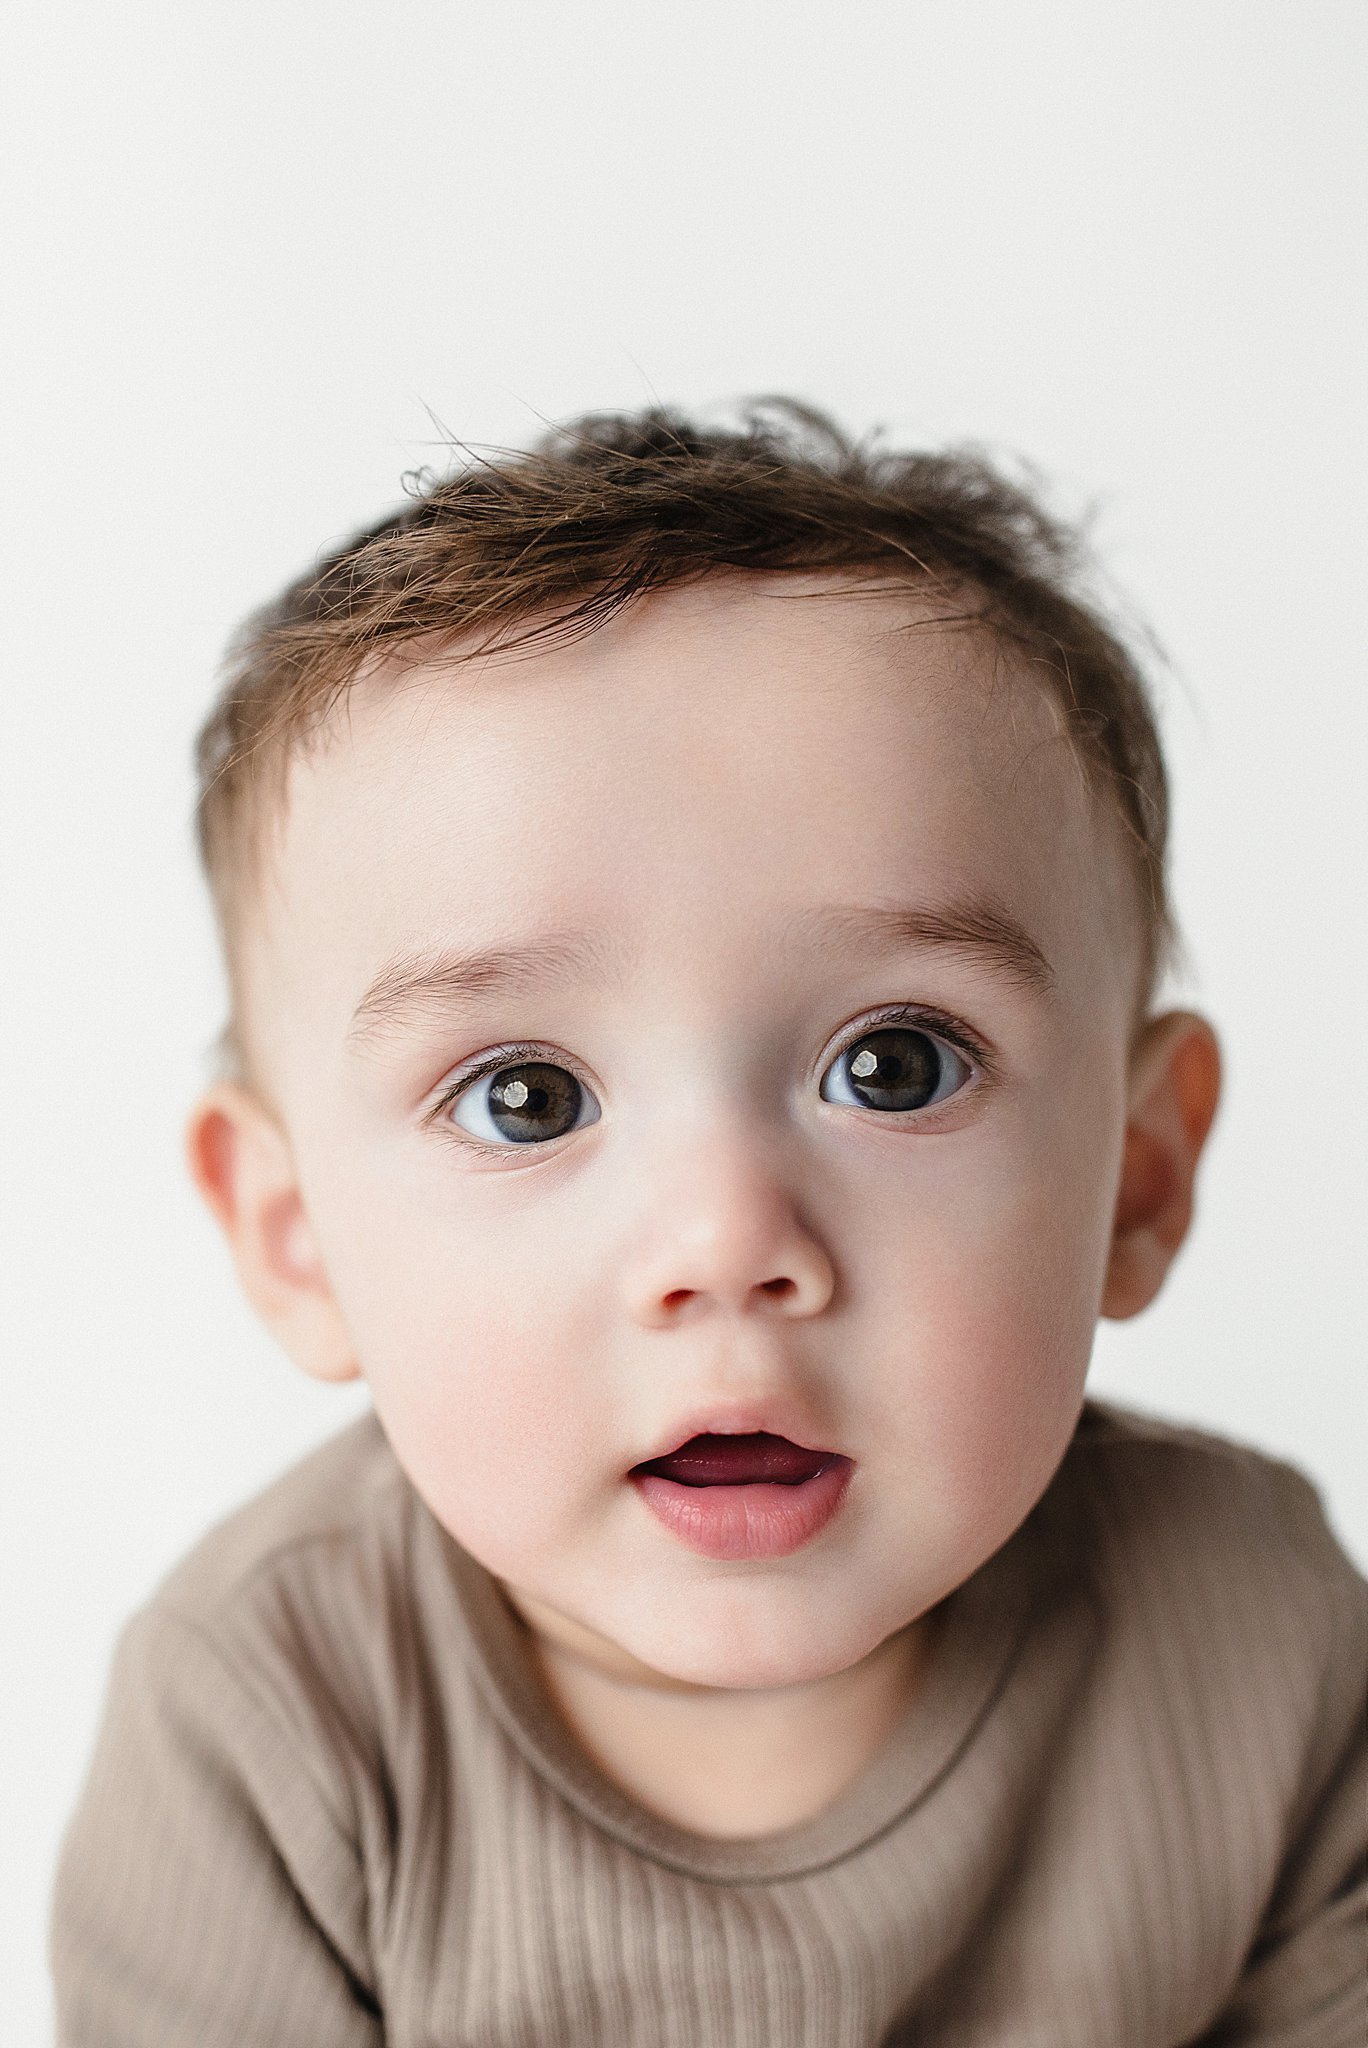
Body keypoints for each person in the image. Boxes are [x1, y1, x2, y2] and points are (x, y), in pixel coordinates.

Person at [51, 405, 1366, 2044]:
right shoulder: (263, 1725)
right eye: (524, 1096)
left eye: (894, 1066)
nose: (727, 1241)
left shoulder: (1259, 1634)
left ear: (1140, 1175)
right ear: (294, 1234)